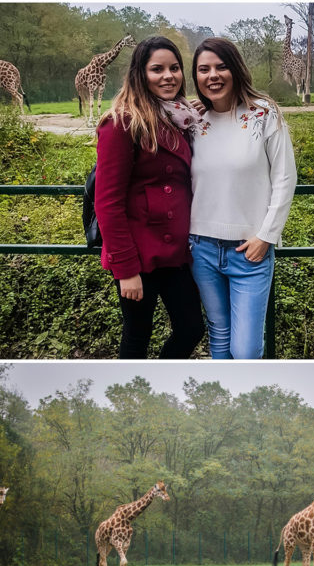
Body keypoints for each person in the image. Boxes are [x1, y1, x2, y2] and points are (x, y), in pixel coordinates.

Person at [95, 36, 205, 358]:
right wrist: (126, 269)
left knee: (191, 328)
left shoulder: (181, 117)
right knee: (137, 335)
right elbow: (107, 202)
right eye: (157, 69)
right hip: (138, 255)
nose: (168, 76)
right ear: (140, 74)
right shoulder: (121, 123)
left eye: (174, 68)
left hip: (175, 253)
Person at [188, 37, 297, 359]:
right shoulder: (191, 122)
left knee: (246, 350)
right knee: (219, 338)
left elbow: (285, 178)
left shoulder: (265, 116)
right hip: (201, 249)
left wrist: (266, 235)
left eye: (221, 67)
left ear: (235, 69)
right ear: (196, 77)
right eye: (203, 69)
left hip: (249, 251)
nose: (213, 75)